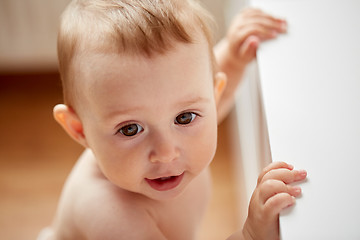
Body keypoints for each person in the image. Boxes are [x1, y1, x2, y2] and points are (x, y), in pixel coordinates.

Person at [39, 0, 306, 239]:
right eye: (130, 129)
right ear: (79, 129)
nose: (166, 153)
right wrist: (250, 235)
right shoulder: (111, 218)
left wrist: (235, 58)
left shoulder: (185, 115)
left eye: (184, 117)